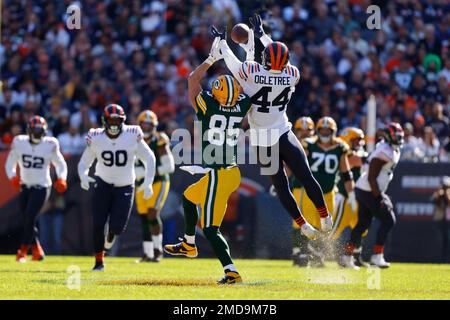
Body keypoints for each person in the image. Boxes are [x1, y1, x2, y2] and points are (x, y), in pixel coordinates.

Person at [214, 13, 330, 241]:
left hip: (261, 139)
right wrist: (263, 36)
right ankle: (325, 216)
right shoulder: (292, 74)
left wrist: (221, 43)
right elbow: (280, 55)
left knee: (281, 186)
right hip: (284, 132)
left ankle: (302, 224)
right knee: (306, 176)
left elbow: (230, 60)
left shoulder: (251, 73)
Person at [164, 37, 252, 284]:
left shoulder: (208, 107)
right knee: (190, 197)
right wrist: (246, 56)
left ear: (217, 94)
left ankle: (231, 271)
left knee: (211, 228)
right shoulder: (241, 106)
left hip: (220, 172)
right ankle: (189, 244)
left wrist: (212, 58)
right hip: (228, 171)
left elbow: (192, 79)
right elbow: (247, 89)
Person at [77, 104, 156, 271]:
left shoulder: (132, 134)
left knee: (117, 227)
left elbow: (149, 158)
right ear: (104, 121)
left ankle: (111, 234)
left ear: (123, 121)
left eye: (117, 120)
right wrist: (83, 175)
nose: (113, 124)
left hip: (125, 185)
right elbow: (85, 161)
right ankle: (99, 262)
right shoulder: (96, 136)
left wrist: (148, 182)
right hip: (102, 182)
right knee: (98, 223)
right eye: (111, 120)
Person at [294, 117, 356, 267]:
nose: (325, 132)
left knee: (326, 226)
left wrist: (352, 194)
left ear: (333, 131)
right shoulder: (309, 144)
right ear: (318, 130)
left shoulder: (340, 147)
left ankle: (317, 255)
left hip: (328, 193)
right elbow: (296, 163)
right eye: (323, 130)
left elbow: (346, 172)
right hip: (309, 192)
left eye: (328, 130)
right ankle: (302, 254)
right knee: (307, 223)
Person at [5, 116, 67, 262]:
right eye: (35, 130)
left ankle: (23, 250)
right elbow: (10, 164)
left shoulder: (50, 144)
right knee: (27, 219)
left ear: (44, 131)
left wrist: (62, 178)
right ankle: (37, 250)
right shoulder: (19, 142)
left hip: (42, 186)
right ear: (29, 130)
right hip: (25, 186)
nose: (37, 133)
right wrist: (12, 176)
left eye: (40, 130)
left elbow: (61, 164)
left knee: (30, 215)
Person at [342, 122, 404, 269]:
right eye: (396, 135)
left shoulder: (390, 148)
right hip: (369, 190)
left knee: (362, 224)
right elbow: (371, 176)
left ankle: (346, 256)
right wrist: (380, 197)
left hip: (365, 189)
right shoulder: (385, 151)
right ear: (389, 136)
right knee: (388, 220)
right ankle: (377, 256)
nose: (399, 137)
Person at [135, 110, 174, 263]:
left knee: (152, 213)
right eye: (144, 124)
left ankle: (158, 251)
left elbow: (169, 166)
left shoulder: (159, 139)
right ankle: (147, 253)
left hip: (159, 181)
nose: (146, 127)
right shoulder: (133, 139)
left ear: (155, 125)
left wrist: (146, 172)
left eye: (149, 124)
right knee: (144, 216)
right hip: (141, 183)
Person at [336, 127, 368, 267]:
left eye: (360, 140)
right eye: (356, 140)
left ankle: (354, 256)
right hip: (344, 197)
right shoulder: (344, 152)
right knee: (334, 230)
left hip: (356, 197)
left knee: (360, 228)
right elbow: (355, 161)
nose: (359, 143)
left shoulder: (359, 152)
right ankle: (315, 254)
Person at [431, 176, 450, 262]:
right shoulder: (438, 193)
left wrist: (447, 193)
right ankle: (442, 259)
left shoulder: (448, 193)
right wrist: (439, 193)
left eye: (446, 186)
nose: (445, 188)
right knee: (441, 241)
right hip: (441, 221)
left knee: (448, 241)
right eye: (444, 186)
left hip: (448, 221)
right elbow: (433, 200)